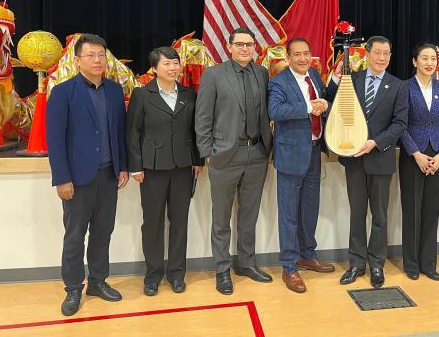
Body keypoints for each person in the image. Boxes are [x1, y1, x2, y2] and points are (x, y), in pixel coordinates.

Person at [46, 33, 129, 316]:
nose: (97, 60)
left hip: (109, 175)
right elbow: (55, 140)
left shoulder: (115, 91)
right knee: (74, 235)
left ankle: (97, 281)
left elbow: (119, 133)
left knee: (103, 232)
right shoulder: (63, 92)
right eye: (90, 55)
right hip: (77, 179)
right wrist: (61, 178)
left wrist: (122, 166)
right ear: (77, 60)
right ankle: (72, 288)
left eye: (101, 55)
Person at [194, 27, 273, 295]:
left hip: (257, 154)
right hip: (225, 155)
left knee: (249, 214)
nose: (244, 49)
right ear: (229, 47)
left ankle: (247, 264)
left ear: (254, 47)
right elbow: (203, 117)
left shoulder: (261, 73)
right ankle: (222, 270)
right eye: (239, 44)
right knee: (221, 218)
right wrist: (208, 151)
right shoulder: (214, 75)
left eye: (249, 44)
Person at [330, 36, 408, 289]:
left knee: (380, 216)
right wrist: (334, 81)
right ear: (367, 54)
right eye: (377, 52)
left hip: (380, 158)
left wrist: (375, 142)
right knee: (356, 213)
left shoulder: (398, 86)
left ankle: (376, 264)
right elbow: (336, 107)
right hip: (354, 159)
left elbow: (400, 123)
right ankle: (356, 264)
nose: (382, 58)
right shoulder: (351, 80)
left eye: (386, 53)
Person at [127, 46, 203, 296]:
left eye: (176, 63)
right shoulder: (142, 94)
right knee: (152, 223)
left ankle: (177, 274)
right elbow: (133, 132)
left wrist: (198, 160)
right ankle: (153, 276)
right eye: (167, 64)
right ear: (155, 68)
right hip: (152, 168)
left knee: (180, 222)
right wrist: (135, 166)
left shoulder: (189, 94)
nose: (173, 68)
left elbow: (195, 130)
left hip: (183, 166)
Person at [268, 38, 335, 293]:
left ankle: (307, 255)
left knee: (310, 209)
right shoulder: (279, 82)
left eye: (306, 53)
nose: (303, 58)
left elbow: (324, 99)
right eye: (297, 54)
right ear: (288, 57)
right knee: (288, 214)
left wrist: (325, 103)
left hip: (314, 153)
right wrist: (308, 106)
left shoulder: (314, 76)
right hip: (290, 157)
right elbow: (275, 111)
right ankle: (289, 266)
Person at [399, 43, 439, 281]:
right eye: (424, 58)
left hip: (436, 157)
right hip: (413, 156)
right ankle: (411, 263)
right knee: (412, 210)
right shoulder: (405, 87)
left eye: (433, 58)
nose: (430, 63)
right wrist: (416, 153)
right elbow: (400, 124)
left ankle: (428, 263)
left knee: (431, 210)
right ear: (415, 61)